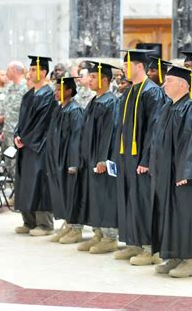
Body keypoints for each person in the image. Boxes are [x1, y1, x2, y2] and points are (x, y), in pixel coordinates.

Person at [150, 65, 192, 278]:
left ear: (183, 84)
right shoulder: (167, 108)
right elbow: (156, 141)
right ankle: (174, 255)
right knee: (169, 214)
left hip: (184, 175)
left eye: (170, 81)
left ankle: (190, 261)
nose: (165, 85)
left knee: (185, 214)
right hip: (166, 174)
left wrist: (186, 171)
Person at [114, 49, 165, 266]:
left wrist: (146, 159)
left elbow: (154, 130)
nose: (124, 68)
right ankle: (133, 242)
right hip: (126, 157)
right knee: (129, 200)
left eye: (127, 64)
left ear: (139, 66)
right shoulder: (129, 92)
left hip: (142, 159)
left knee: (144, 202)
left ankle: (149, 248)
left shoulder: (151, 92)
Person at [75, 61, 120, 254]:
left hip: (102, 159)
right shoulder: (94, 100)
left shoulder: (111, 102)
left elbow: (110, 134)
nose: (89, 80)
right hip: (90, 158)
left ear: (104, 80)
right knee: (94, 196)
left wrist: (103, 159)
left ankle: (110, 237)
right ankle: (98, 233)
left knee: (105, 196)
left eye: (93, 77)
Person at [14, 55, 57, 236]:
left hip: (40, 147)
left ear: (44, 72)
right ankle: (29, 221)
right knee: (24, 182)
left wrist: (26, 139)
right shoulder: (28, 95)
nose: (30, 73)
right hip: (25, 146)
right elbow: (21, 121)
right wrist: (17, 134)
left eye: (33, 69)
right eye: (30, 69)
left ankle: (44, 224)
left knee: (39, 183)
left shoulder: (49, 96)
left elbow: (43, 124)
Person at [45, 77, 84, 244]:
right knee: (62, 193)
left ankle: (76, 229)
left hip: (68, 159)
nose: (56, 92)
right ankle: (67, 224)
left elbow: (77, 139)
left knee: (72, 193)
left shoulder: (75, 111)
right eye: (55, 89)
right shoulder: (59, 109)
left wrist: (74, 163)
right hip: (57, 159)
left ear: (69, 91)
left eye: (60, 89)